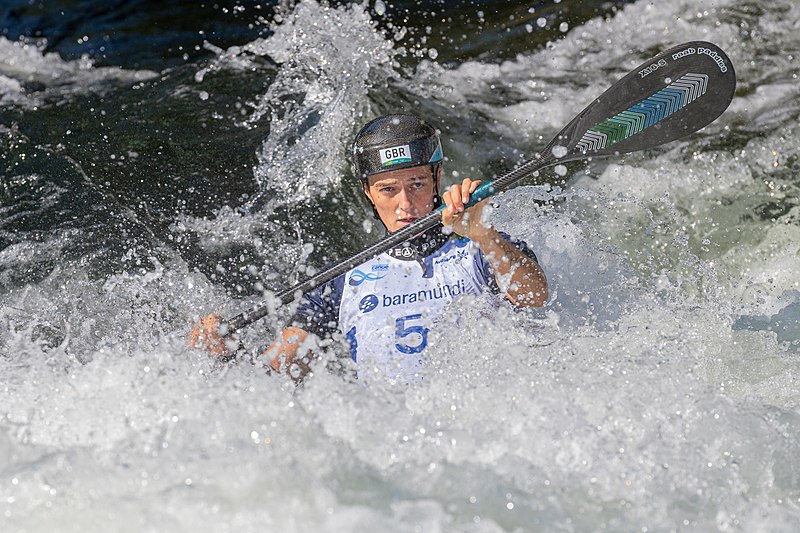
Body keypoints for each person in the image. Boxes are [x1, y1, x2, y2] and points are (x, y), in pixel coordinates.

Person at [189, 114, 548, 383]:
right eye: (388, 190)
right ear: (368, 193)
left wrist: (484, 235)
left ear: (437, 178)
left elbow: (535, 296)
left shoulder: (480, 248)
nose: (405, 204)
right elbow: (276, 376)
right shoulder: (341, 280)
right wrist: (226, 355)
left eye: (418, 184)